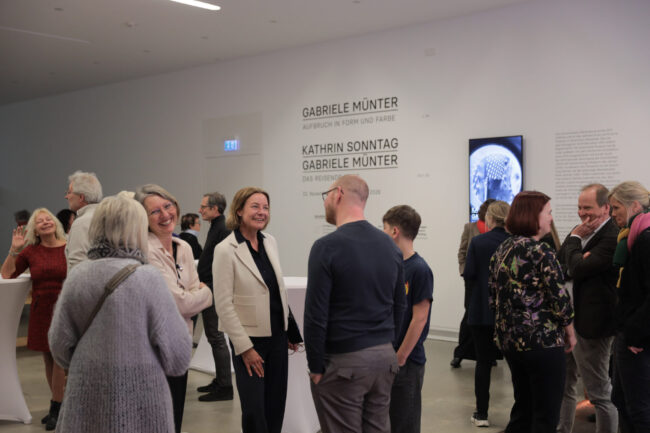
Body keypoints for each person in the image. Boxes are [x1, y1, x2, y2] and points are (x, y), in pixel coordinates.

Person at [48, 194, 192, 433]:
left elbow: (59, 346)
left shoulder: (78, 276)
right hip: (144, 402)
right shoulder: (148, 278)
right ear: (138, 229)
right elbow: (178, 357)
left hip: (86, 397)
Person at [305, 175, 406, 433]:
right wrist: (388, 345)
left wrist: (315, 366)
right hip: (384, 358)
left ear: (338, 194)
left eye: (326, 195)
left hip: (344, 361)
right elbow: (400, 305)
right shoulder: (390, 246)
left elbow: (316, 314)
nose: (325, 202)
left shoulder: (326, 247)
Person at [212, 186, 302, 433]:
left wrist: (289, 330)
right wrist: (245, 348)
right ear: (239, 210)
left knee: (275, 404)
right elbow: (223, 304)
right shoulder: (225, 249)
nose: (262, 212)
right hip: (249, 342)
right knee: (254, 410)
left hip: (277, 338)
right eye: (255, 206)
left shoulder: (270, 242)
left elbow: (275, 289)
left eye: (266, 207)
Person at [488, 191, 576, 433]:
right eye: (548, 213)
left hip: (511, 342)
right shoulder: (541, 252)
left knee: (523, 411)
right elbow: (560, 299)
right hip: (542, 343)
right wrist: (570, 332)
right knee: (546, 416)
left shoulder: (502, 249)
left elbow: (493, 297)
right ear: (533, 216)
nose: (551, 218)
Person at [135, 184, 213, 433]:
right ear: (144, 219)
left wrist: (192, 297)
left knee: (175, 419)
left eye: (167, 206)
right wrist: (206, 293)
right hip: (153, 352)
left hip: (180, 346)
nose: (165, 214)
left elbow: (186, 301)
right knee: (156, 422)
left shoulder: (184, 247)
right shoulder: (145, 251)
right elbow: (179, 303)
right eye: (155, 211)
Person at [557, 184, 619, 433]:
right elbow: (560, 264)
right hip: (570, 322)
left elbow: (578, 268)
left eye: (588, 208)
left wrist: (576, 255)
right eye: (580, 207)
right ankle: (563, 429)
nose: (582, 213)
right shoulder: (579, 232)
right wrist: (576, 255)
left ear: (605, 208)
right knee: (565, 385)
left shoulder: (612, 236)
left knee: (599, 394)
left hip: (593, 325)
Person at [1, 208, 67, 431]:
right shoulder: (31, 251)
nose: (46, 222)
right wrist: (14, 250)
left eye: (49, 219)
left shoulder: (69, 247)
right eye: (40, 221)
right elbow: (7, 274)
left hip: (64, 310)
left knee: (59, 360)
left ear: (55, 223)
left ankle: (57, 407)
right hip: (42, 311)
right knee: (48, 359)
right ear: (35, 230)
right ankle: (58, 405)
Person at [383, 205, 433, 433]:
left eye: (384, 228)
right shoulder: (390, 266)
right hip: (386, 358)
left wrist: (400, 357)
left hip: (407, 363)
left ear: (395, 231)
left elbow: (419, 319)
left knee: (405, 424)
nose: (382, 233)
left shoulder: (419, 269)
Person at [608, 181, 650, 433]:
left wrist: (636, 334)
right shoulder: (633, 236)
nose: (613, 214)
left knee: (638, 408)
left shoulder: (645, 238)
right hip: (630, 332)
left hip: (637, 338)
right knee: (622, 400)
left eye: (616, 208)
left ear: (634, 205)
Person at [464, 200, 510, 427]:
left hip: (482, 310)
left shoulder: (478, 242)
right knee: (516, 364)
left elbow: (469, 274)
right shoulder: (515, 243)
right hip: (509, 313)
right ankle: (521, 414)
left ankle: (481, 413)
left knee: (483, 363)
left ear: (490, 218)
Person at [195, 192, 234, 402]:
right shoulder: (217, 227)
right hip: (210, 288)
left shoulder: (223, 228)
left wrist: (210, 285)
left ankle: (225, 386)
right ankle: (221, 381)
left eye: (203, 207)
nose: (200, 210)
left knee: (216, 338)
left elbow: (225, 263)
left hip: (214, 290)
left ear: (215, 209)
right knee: (214, 337)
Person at [452, 198, 494, 368]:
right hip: (473, 279)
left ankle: (489, 354)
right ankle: (460, 353)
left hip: (492, 281)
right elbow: (462, 251)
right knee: (470, 314)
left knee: (491, 315)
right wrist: (463, 270)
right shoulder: (470, 227)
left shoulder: (500, 231)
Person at [64, 170, 103, 270]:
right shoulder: (107, 216)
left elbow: (77, 266)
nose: (66, 197)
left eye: (69, 192)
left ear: (81, 197)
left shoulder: (81, 223)